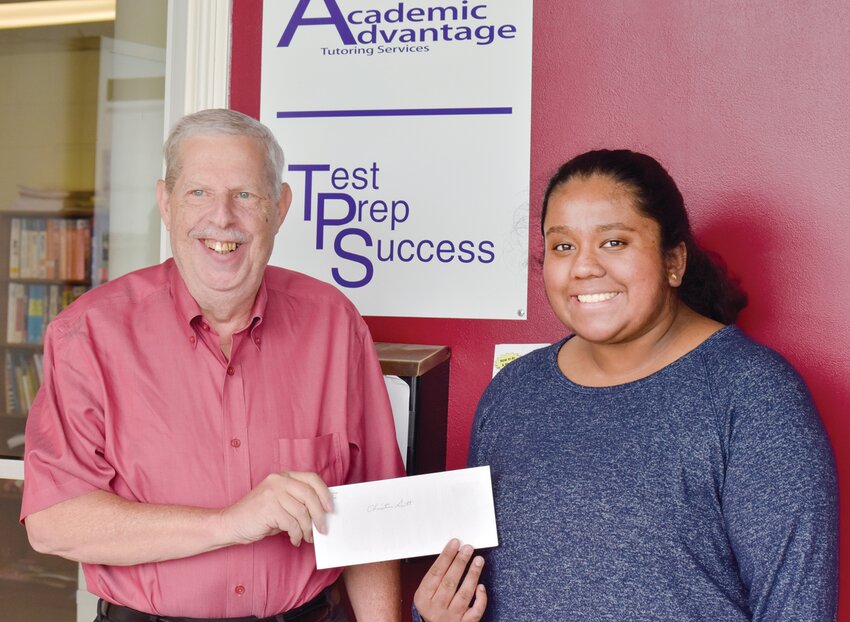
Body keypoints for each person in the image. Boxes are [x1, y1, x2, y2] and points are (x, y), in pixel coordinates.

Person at [414, 149, 838, 621]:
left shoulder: (754, 395)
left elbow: (795, 607)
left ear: (674, 260)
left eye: (614, 242)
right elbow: (472, 584)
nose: (584, 267)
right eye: (562, 246)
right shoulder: (514, 391)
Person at [21, 109, 405, 622]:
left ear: (281, 207)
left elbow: (372, 513)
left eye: (245, 195)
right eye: (199, 192)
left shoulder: (335, 324)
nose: (222, 218)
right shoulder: (88, 335)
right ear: (166, 202)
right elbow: (52, 522)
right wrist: (230, 523)